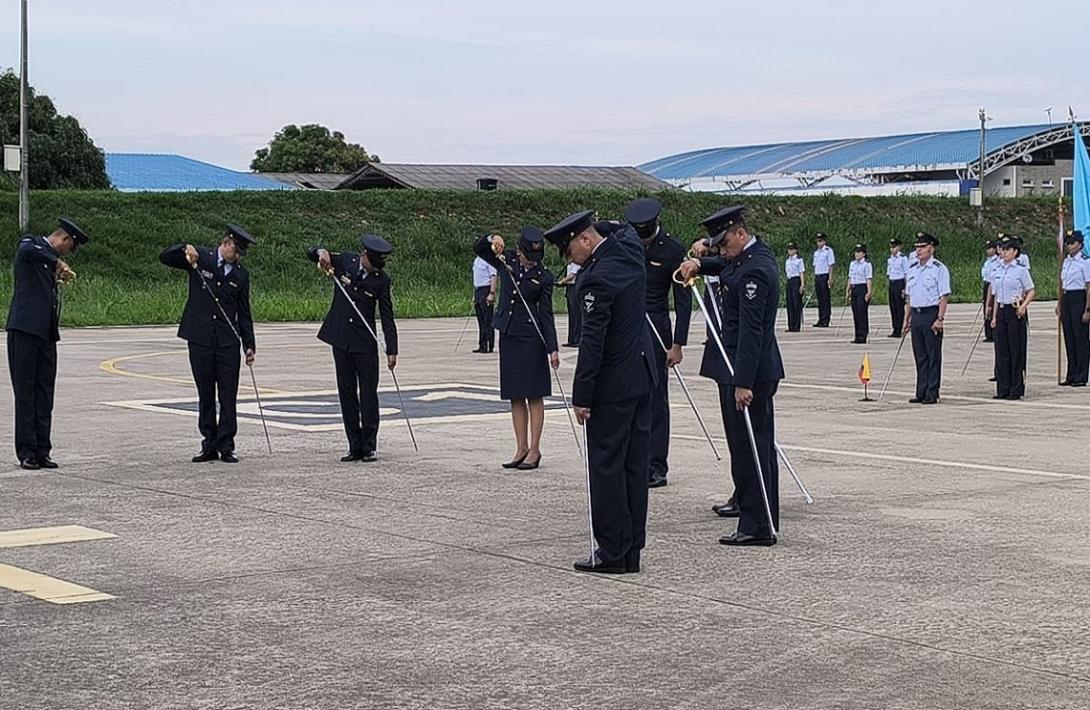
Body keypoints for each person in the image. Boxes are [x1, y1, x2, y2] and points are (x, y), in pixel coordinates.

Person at [543, 210, 655, 573]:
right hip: (641, 376)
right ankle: (632, 547)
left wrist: (582, 394)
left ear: (586, 240)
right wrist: (596, 226)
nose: (569, 258)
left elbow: (593, 341)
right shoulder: (630, 253)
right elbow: (620, 229)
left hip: (611, 385)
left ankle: (611, 550)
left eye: (569, 248)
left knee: (607, 468)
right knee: (634, 466)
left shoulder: (596, 280)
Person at [680, 206, 784, 547]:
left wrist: (742, 382)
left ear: (740, 234)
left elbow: (752, 333)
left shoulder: (755, 272)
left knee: (753, 447)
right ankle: (758, 515)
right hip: (744, 366)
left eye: (724, 244)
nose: (721, 252)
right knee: (751, 446)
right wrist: (699, 264)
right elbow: (726, 265)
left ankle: (757, 525)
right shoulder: (748, 256)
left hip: (750, 371)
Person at [160, 225, 256, 463]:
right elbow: (165, 257)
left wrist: (249, 344)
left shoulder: (241, 275)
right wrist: (184, 248)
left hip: (227, 341)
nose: (237, 256)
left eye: (240, 254)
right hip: (201, 338)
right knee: (205, 393)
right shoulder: (200, 258)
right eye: (235, 250)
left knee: (227, 395)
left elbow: (244, 312)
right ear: (226, 243)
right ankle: (208, 444)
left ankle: (226, 445)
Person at [473, 227, 559, 471]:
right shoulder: (506, 260)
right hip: (509, 334)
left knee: (534, 393)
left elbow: (546, 314)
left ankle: (534, 449)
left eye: (535, 258)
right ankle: (520, 447)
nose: (530, 262)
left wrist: (552, 348)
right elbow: (479, 249)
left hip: (531, 337)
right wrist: (492, 238)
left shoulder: (544, 277)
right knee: (515, 394)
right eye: (527, 256)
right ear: (519, 251)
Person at [5, 218, 88, 470]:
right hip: (24, 331)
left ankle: (43, 449)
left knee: (44, 393)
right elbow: (28, 250)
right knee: (26, 392)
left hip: (46, 334)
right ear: (64, 239)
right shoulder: (31, 243)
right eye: (69, 248)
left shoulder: (46, 259)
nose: (66, 254)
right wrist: (57, 261)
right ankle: (27, 451)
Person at [308, 234, 399, 462]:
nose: (374, 268)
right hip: (341, 339)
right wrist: (321, 253)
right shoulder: (346, 261)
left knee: (368, 394)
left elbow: (387, 316)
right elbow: (313, 252)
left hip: (364, 342)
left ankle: (369, 445)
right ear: (364, 255)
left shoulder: (381, 280)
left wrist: (391, 348)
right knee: (346, 393)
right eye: (372, 263)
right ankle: (354, 444)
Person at [624, 196, 692, 488]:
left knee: (655, 399)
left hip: (656, 328)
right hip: (628, 326)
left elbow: (683, 300)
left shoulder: (672, 250)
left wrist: (678, 343)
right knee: (629, 395)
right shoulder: (626, 244)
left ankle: (656, 464)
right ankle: (635, 459)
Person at [903, 232, 950, 405]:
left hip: (931, 314)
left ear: (931, 248)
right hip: (916, 314)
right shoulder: (913, 268)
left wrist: (940, 318)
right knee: (920, 355)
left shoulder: (939, 269)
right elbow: (909, 296)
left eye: (922, 247)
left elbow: (944, 296)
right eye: (916, 247)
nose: (918, 250)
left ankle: (932, 391)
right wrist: (907, 318)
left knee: (933, 355)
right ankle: (920, 390)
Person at [987, 235, 1035, 400]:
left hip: (1015, 311)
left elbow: (1031, 290)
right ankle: (1003, 388)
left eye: (1008, 249)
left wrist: (1023, 306)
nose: (1004, 252)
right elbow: (996, 294)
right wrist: (993, 317)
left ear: (1015, 251)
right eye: (1003, 249)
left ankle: (1016, 388)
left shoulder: (1020, 270)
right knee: (1002, 351)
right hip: (1001, 310)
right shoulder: (997, 269)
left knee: (1016, 351)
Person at [1058, 230, 1090, 387]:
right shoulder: (1066, 261)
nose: (1069, 246)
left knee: (1080, 338)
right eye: (1068, 243)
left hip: (1080, 298)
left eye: (1072, 243)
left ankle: (1081, 375)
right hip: (1067, 298)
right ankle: (1071, 373)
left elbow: (1089, 287)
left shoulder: (1085, 261)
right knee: (1069, 337)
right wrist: (1059, 303)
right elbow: (1062, 284)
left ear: (1080, 244)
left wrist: (1087, 309)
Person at [847, 244, 873, 344]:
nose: (856, 254)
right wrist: (848, 289)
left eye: (859, 252)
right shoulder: (852, 264)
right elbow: (850, 277)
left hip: (862, 288)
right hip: (854, 287)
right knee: (856, 313)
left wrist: (869, 291)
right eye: (856, 252)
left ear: (864, 253)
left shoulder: (866, 265)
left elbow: (868, 279)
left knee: (862, 313)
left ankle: (863, 335)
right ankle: (857, 335)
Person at [471, 255, 497, 353]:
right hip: (478, 290)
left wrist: (492, 293)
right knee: (481, 320)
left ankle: (489, 344)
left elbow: (493, 276)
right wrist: (475, 294)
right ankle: (482, 344)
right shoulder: (477, 260)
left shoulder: (489, 260)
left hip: (486, 289)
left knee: (488, 319)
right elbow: (476, 278)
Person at [811, 232, 836, 327]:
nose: (819, 243)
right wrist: (814, 277)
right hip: (818, 276)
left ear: (824, 241)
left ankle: (826, 319)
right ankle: (820, 318)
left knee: (825, 298)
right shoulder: (816, 253)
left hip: (825, 275)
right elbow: (815, 266)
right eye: (817, 241)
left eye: (820, 241)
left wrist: (830, 277)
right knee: (820, 299)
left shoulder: (828, 251)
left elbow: (831, 265)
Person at [886, 238, 909, 337]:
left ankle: (901, 328)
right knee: (893, 307)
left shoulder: (903, 259)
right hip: (892, 283)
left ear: (899, 247)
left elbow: (906, 274)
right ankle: (895, 328)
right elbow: (889, 274)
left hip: (900, 283)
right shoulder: (890, 259)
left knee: (899, 307)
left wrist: (905, 288)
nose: (892, 249)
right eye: (891, 247)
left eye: (894, 247)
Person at [558, 257, 582, 346]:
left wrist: (561, 282)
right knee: (572, 315)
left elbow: (572, 275)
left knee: (576, 314)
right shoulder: (569, 264)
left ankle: (577, 339)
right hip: (569, 287)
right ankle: (571, 339)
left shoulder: (576, 263)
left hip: (574, 287)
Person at [981, 239, 999, 343]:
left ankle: (994, 332)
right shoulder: (987, 261)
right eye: (987, 248)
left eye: (990, 248)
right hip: (987, 284)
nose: (988, 251)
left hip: (994, 284)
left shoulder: (997, 261)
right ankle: (988, 334)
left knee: (993, 309)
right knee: (986, 309)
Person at [784, 242, 805, 332]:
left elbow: (801, 272)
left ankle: (796, 326)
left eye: (792, 249)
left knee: (796, 303)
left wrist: (802, 284)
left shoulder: (799, 260)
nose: (790, 251)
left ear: (796, 250)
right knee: (790, 303)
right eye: (789, 249)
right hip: (790, 280)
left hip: (796, 280)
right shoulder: (787, 261)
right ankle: (791, 325)